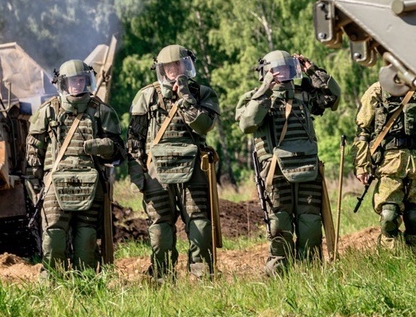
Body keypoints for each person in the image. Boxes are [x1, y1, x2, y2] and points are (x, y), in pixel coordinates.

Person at [236, 50, 340, 275]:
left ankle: (310, 273)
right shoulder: (255, 97)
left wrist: (312, 71)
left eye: (286, 69)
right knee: (279, 224)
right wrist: (265, 89)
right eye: (276, 70)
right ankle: (278, 275)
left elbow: (333, 97)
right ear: (265, 72)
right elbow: (247, 124)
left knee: (311, 223)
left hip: (307, 169)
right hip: (275, 172)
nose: (281, 74)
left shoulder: (304, 95)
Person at [126, 45, 221, 280]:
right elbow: (134, 140)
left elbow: (204, 125)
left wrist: (186, 98)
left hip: (194, 171)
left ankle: (202, 277)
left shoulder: (201, 93)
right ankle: (162, 277)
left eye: (178, 65)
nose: (173, 70)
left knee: (200, 226)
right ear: (160, 68)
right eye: (168, 66)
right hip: (157, 173)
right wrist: (138, 176)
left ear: (187, 65)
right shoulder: (146, 96)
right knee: (159, 229)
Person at [26, 59, 124, 274]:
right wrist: (34, 184)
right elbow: (34, 151)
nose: (77, 86)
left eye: (81, 80)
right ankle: (52, 283)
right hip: (55, 184)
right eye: (72, 81)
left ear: (88, 81)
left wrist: (102, 145)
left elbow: (119, 150)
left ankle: (86, 283)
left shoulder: (101, 111)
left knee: (86, 239)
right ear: (63, 84)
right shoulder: (48, 112)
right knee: (54, 238)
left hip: (90, 184)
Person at [354, 83, 416, 251]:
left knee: (414, 217)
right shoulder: (378, 90)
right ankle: (392, 259)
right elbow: (363, 132)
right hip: (389, 164)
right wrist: (362, 165)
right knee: (389, 216)